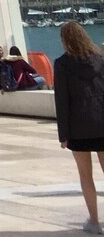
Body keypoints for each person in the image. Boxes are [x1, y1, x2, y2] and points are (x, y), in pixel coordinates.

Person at [54, 22, 104, 234]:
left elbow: (62, 101)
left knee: (86, 175)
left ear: (65, 40)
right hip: (102, 122)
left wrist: (63, 135)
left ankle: (94, 221)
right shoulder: (101, 59)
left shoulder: (62, 64)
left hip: (78, 126)